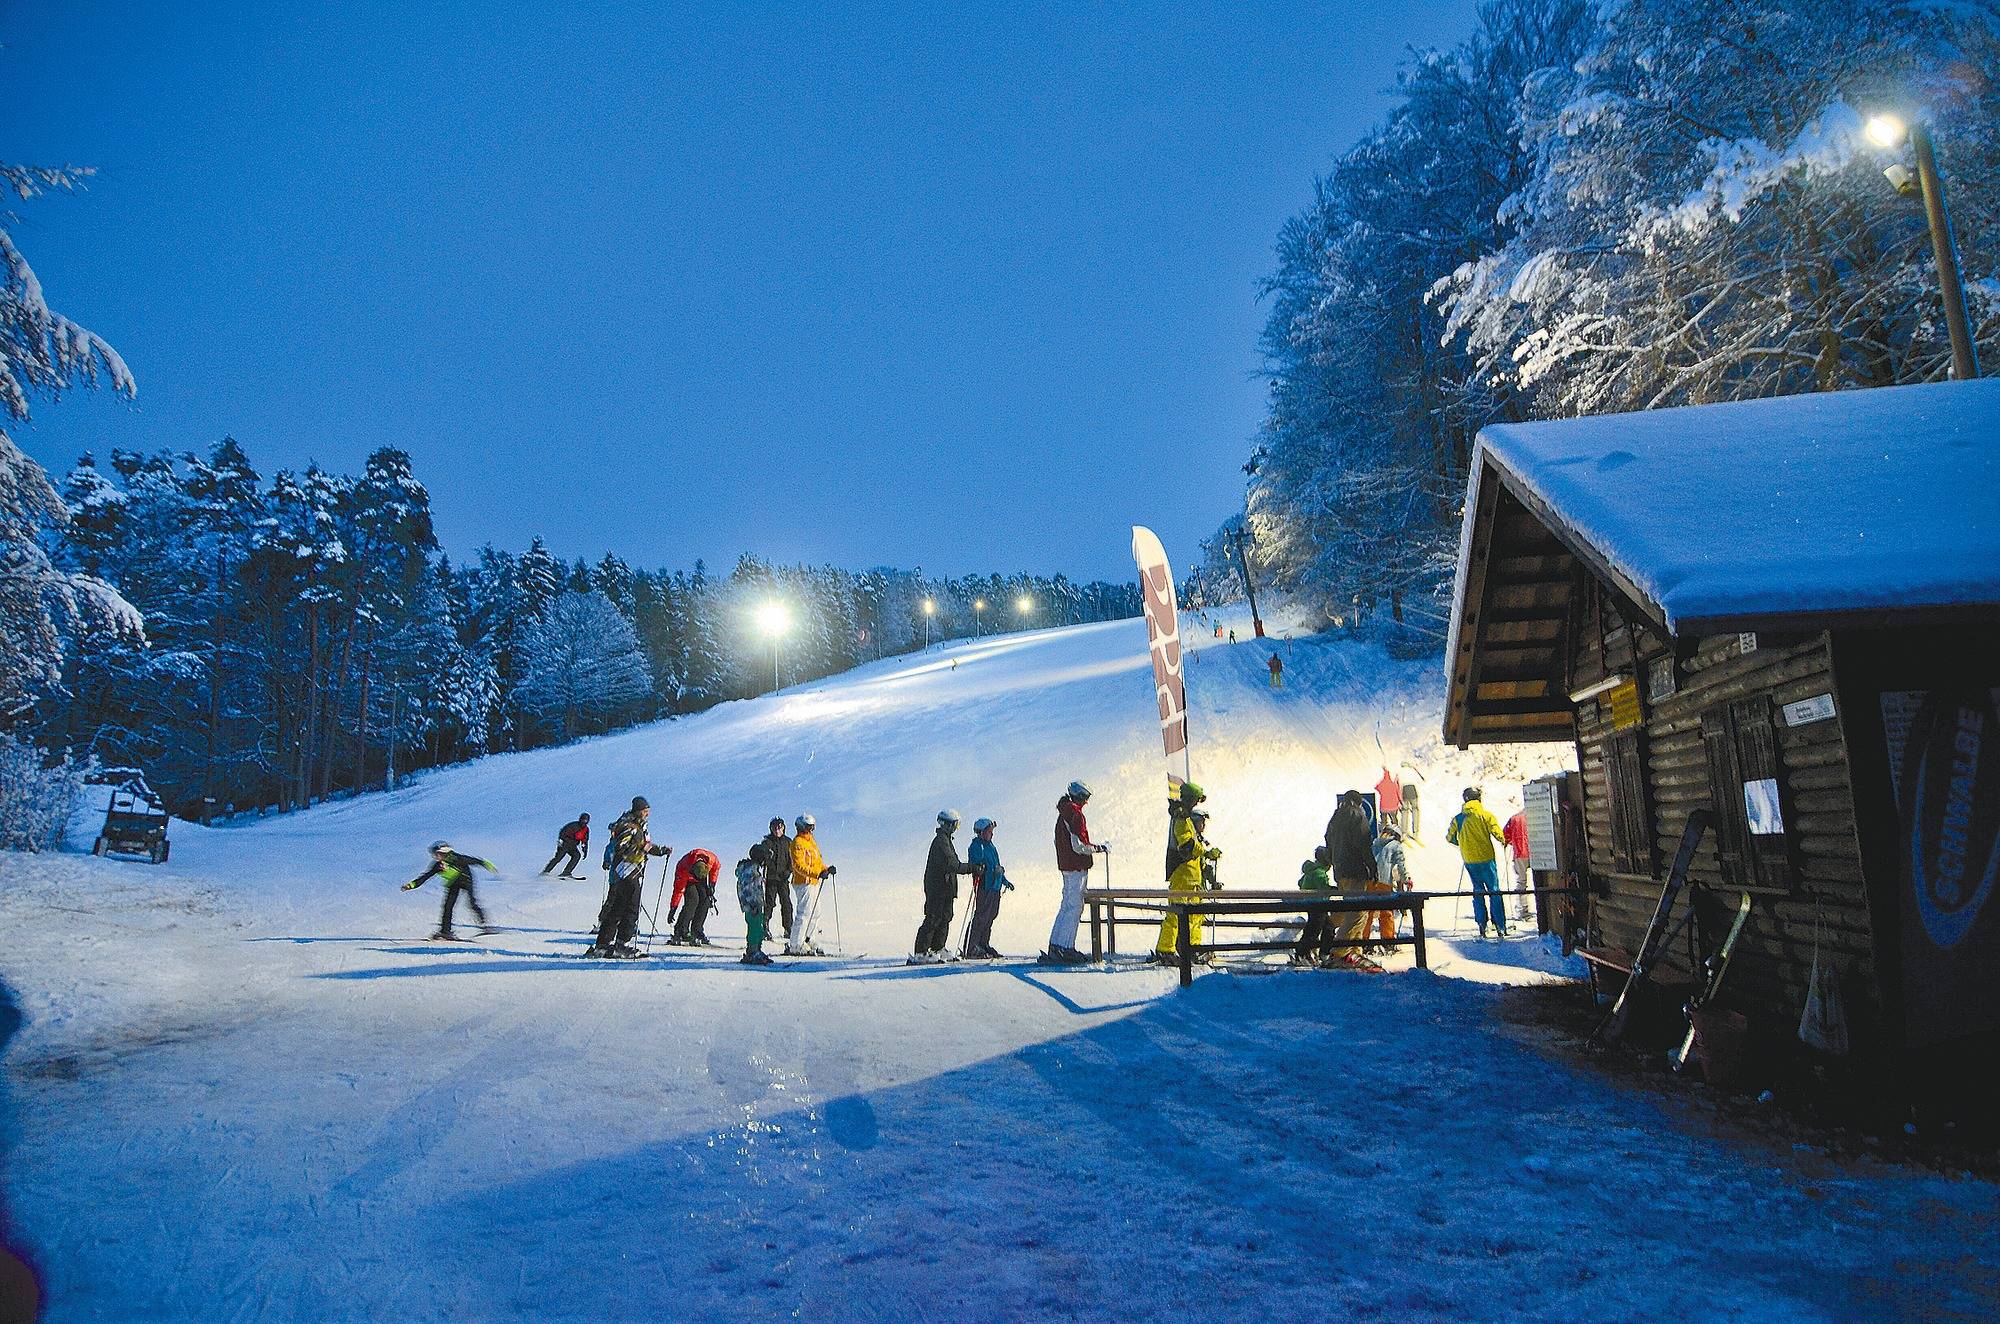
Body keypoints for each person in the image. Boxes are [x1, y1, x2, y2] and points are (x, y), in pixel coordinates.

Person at [588, 796, 671, 958]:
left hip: (630, 871)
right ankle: (621, 944)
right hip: (627, 870)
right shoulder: (629, 826)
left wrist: (660, 850)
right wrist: (641, 850)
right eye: (645, 811)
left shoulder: (638, 826)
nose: (647, 814)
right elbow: (622, 847)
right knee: (631, 907)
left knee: (618, 907)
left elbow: (643, 846)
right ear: (639, 811)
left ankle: (603, 944)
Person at [1044, 781, 1109, 964]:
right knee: (1074, 907)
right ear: (1080, 796)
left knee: (1066, 905)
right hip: (1076, 866)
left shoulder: (1064, 812)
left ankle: (1056, 944)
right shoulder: (1075, 814)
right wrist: (1098, 848)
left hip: (1067, 866)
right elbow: (1078, 846)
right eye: (1085, 798)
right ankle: (1065, 947)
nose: (1086, 802)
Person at [1154, 787, 1221, 962]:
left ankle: (1192, 948)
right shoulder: (1182, 818)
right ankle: (1166, 950)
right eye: (1196, 800)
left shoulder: (1185, 818)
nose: (1196, 803)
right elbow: (1187, 847)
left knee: (1195, 917)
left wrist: (1205, 857)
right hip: (1183, 875)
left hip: (1192, 878)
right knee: (1176, 915)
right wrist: (1204, 851)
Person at [403, 840, 498, 940]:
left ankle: (484, 925)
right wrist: (411, 885)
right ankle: (445, 931)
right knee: (448, 906)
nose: (434, 856)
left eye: (436, 854)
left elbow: (474, 860)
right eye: (434, 854)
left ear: (444, 852)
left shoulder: (457, 858)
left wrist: (488, 865)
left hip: (466, 881)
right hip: (453, 884)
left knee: (471, 903)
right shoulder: (438, 865)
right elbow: (425, 876)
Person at [913, 810, 975, 962]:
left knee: (945, 917)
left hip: (945, 887)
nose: (956, 828)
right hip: (937, 887)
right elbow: (952, 864)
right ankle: (921, 952)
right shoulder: (941, 841)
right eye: (955, 825)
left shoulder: (946, 840)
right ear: (948, 824)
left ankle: (937, 948)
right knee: (934, 917)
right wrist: (971, 868)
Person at [1322, 790, 1376, 964]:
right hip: (1355, 870)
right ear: (1358, 802)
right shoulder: (1357, 815)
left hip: (1340, 871)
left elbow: (1327, 841)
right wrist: (1372, 867)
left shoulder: (1335, 817)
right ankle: (1340, 952)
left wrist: (1333, 861)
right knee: (1358, 913)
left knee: (1354, 910)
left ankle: (1354, 949)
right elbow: (1364, 842)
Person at [1447, 786, 1507, 939]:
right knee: (1494, 890)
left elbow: (1449, 837)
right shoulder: (1485, 815)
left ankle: (1481, 924)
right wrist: (1503, 841)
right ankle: (1499, 924)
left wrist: (1462, 843)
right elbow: (1497, 832)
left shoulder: (1459, 818)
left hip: (1469, 859)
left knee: (1477, 890)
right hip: (1487, 857)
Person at [963, 817, 1013, 959]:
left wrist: (1004, 880)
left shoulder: (991, 846)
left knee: (991, 916)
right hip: (985, 885)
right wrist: (992, 871)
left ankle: (983, 943)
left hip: (995, 887)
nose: (992, 834)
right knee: (981, 917)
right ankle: (972, 947)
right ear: (981, 832)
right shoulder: (977, 846)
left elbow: (996, 865)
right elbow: (978, 866)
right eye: (989, 831)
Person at [787, 815, 835, 955]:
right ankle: (796, 944)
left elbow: (817, 862)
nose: (811, 829)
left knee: (816, 912)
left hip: (813, 882)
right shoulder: (797, 843)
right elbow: (798, 866)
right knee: (804, 913)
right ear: (801, 826)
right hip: (803, 883)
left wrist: (825, 869)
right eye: (808, 826)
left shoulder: (811, 841)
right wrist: (817, 874)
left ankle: (809, 938)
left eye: (812, 826)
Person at [1366, 824, 1413, 953]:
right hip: (1384, 881)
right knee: (1386, 912)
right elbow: (1400, 865)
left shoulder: (1375, 843)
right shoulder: (1395, 845)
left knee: (1368, 912)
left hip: (1370, 881)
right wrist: (1406, 879)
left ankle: (1365, 942)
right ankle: (1388, 942)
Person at [1290, 846, 1334, 966]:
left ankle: (1320, 953)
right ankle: (1303, 954)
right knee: (1314, 931)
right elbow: (1324, 888)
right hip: (1318, 905)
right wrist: (1333, 889)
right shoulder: (1319, 873)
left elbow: (1300, 882)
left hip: (1313, 905)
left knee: (1326, 928)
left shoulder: (1311, 870)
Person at [670, 848, 721, 946]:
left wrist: (712, 884)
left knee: (705, 900)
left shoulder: (711, 859)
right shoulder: (683, 868)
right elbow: (678, 890)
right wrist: (673, 907)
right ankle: (681, 930)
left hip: (701, 875)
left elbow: (716, 868)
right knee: (692, 901)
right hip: (687, 878)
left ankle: (697, 930)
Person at [759, 817, 795, 942]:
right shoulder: (767, 842)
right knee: (769, 903)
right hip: (771, 878)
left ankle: (788, 928)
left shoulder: (788, 842)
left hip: (783, 878)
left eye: (779, 827)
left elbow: (792, 859)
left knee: (786, 903)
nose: (777, 830)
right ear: (771, 828)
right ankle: (764, 927)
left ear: (783, 828)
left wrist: (788, 871)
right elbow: (764, 858)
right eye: (775, 827)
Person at [736, 851, 773, 965]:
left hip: (756, 903)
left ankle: (757, 950)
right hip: (751, 904)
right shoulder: (749, 870)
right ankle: (752, 952)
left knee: (758, 926)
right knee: (754, 927)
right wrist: (752, 904)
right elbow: (747, 889)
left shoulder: (754, 868)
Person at [1503, 807, 1533, 924]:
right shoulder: (1534, 816)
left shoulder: (1514, 818)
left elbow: (1505, 834)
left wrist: (1511, 842)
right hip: (1536, 852)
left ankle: (1523, 908)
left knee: (1521, 881)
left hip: (1520, 853)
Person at [540, 812, 590, 878]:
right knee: (558, 857)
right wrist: (560, 842)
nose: (584, 822)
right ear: (580, 819)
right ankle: (546, 871)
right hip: (565, 844)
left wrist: (585, 850)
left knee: (577, 856)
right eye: (583, 820)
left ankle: (567, 872)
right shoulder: (573, 825)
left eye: (586, 820)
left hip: (573, 846)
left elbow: (584, 840)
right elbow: (562, 833)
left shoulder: (586, 830)